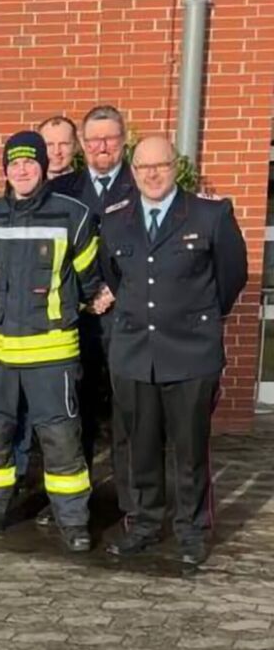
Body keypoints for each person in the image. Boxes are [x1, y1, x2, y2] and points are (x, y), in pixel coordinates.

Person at [101, 135, 247, 566]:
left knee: (189, 448)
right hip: (133, 353)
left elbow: (231, 277)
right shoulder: (115, 220)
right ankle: (143, 524)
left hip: (189, 353)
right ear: (132, 172)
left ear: (175, 166)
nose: (151, 174)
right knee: (139, 447)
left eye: (160, 165)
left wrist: (192, 318)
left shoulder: (210, 214)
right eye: (142, 167)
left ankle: (192, 530)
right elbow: (116, 275)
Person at [0, 131, 110, 552]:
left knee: (61, 439)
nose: (22, 170)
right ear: (4, 169)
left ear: (43, 166)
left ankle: (73, 521)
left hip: (52, 353)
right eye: (14, 163)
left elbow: (88, 281)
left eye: (30, 162)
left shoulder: (74, 215)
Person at [50, 105, 138, 527]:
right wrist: (85, 295)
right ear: (83, 145)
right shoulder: (63, 188)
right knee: (75, 414)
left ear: (124, 139)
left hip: (126, 319)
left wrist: (115, 291)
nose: (102, 146)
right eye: (94, 139)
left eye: (111, 137)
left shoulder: (142, 183)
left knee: (127, 415)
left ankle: (131, 505)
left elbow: (151, 250)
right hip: (79, 318)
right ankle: (73, 502)